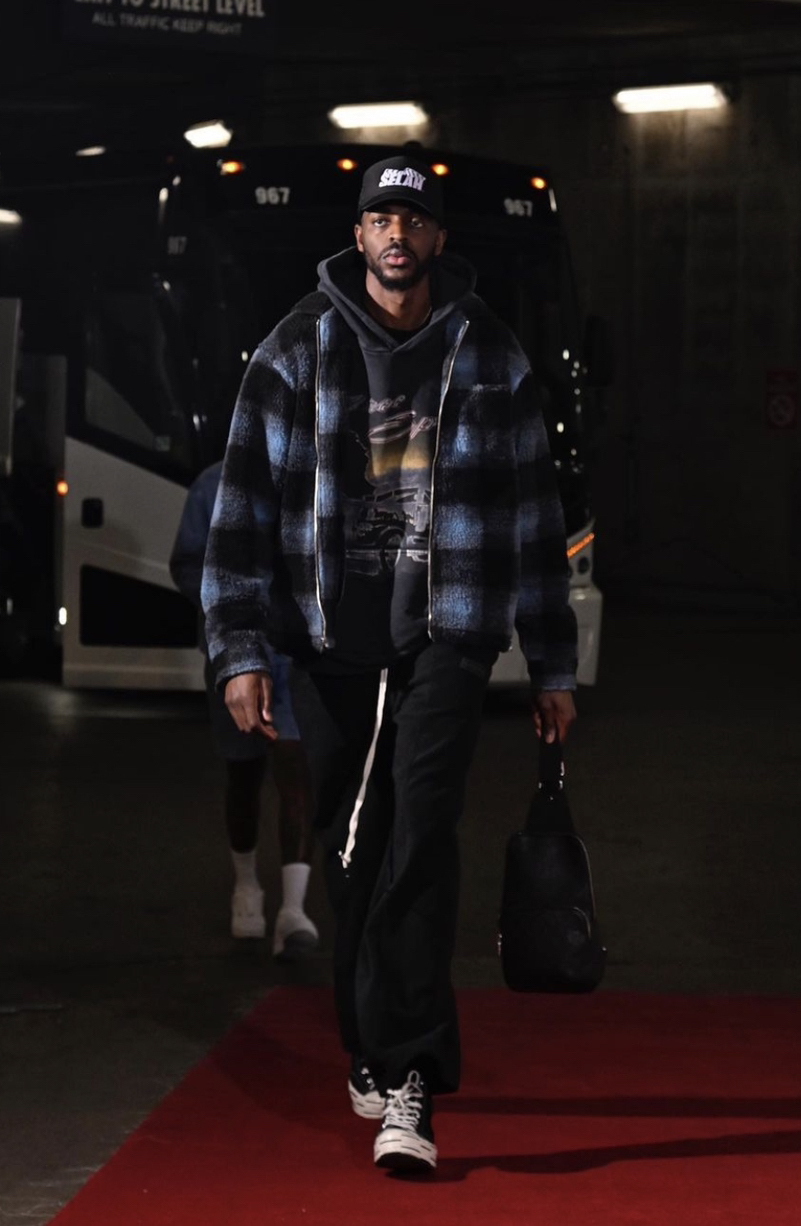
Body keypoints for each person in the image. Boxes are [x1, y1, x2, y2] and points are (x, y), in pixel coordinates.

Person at [202, 154, 577, 1173]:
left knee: (421, 837)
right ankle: (369, 1038)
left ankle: (412, 1075)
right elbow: (241, 510)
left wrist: (552, 661)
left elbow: (535, 520)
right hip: (331, 640)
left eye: (413, 218)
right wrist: (239, 649)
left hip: (448, 634)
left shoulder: (489, 354)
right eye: (380, 218)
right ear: (360, 236)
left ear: (438, 238)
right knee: (354, 848)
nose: (397, 233)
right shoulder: (294, 348)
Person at [170, 460, 318, 961]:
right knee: (244, 774)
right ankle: (247, 885)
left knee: (296, 772)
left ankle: (293, 910)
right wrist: (235, 602)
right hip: (235, 653)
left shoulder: (310, 476)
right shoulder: (212, 484)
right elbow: (186, 564)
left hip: (294, 653)